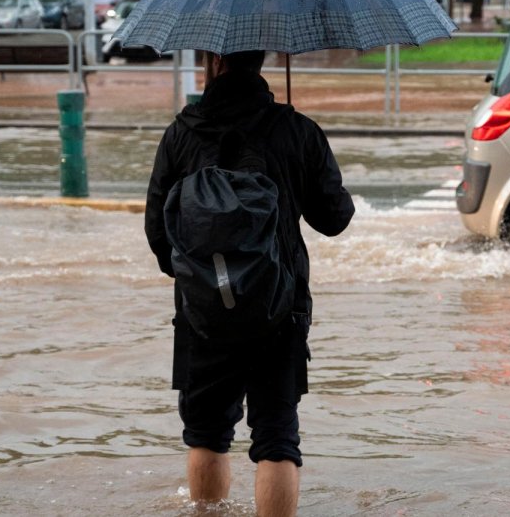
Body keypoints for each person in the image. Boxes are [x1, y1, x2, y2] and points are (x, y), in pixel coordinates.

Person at [145, 49, 355, 516]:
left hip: (201, 313)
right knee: (277, 436)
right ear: (264, 58)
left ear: (212, 58)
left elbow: (159, 235)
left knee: (205, 433)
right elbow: (335, 219)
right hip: (280, 308)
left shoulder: (181, 133)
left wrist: (205, 282)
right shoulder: (297, 130)